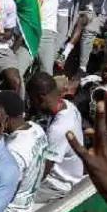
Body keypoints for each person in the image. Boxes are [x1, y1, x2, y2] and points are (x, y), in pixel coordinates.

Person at [0, 91, 48, 212]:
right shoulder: (36, 129)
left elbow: (4, 193)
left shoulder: (14, 150)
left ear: (5, 117)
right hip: (26, 203)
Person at [26, 72, 85, 203]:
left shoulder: (59, 128)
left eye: (31, 99)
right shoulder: (68, 105)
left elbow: (43, 170)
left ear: (40, 98)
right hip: (68, 173)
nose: (30, 103)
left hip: (57, 184)